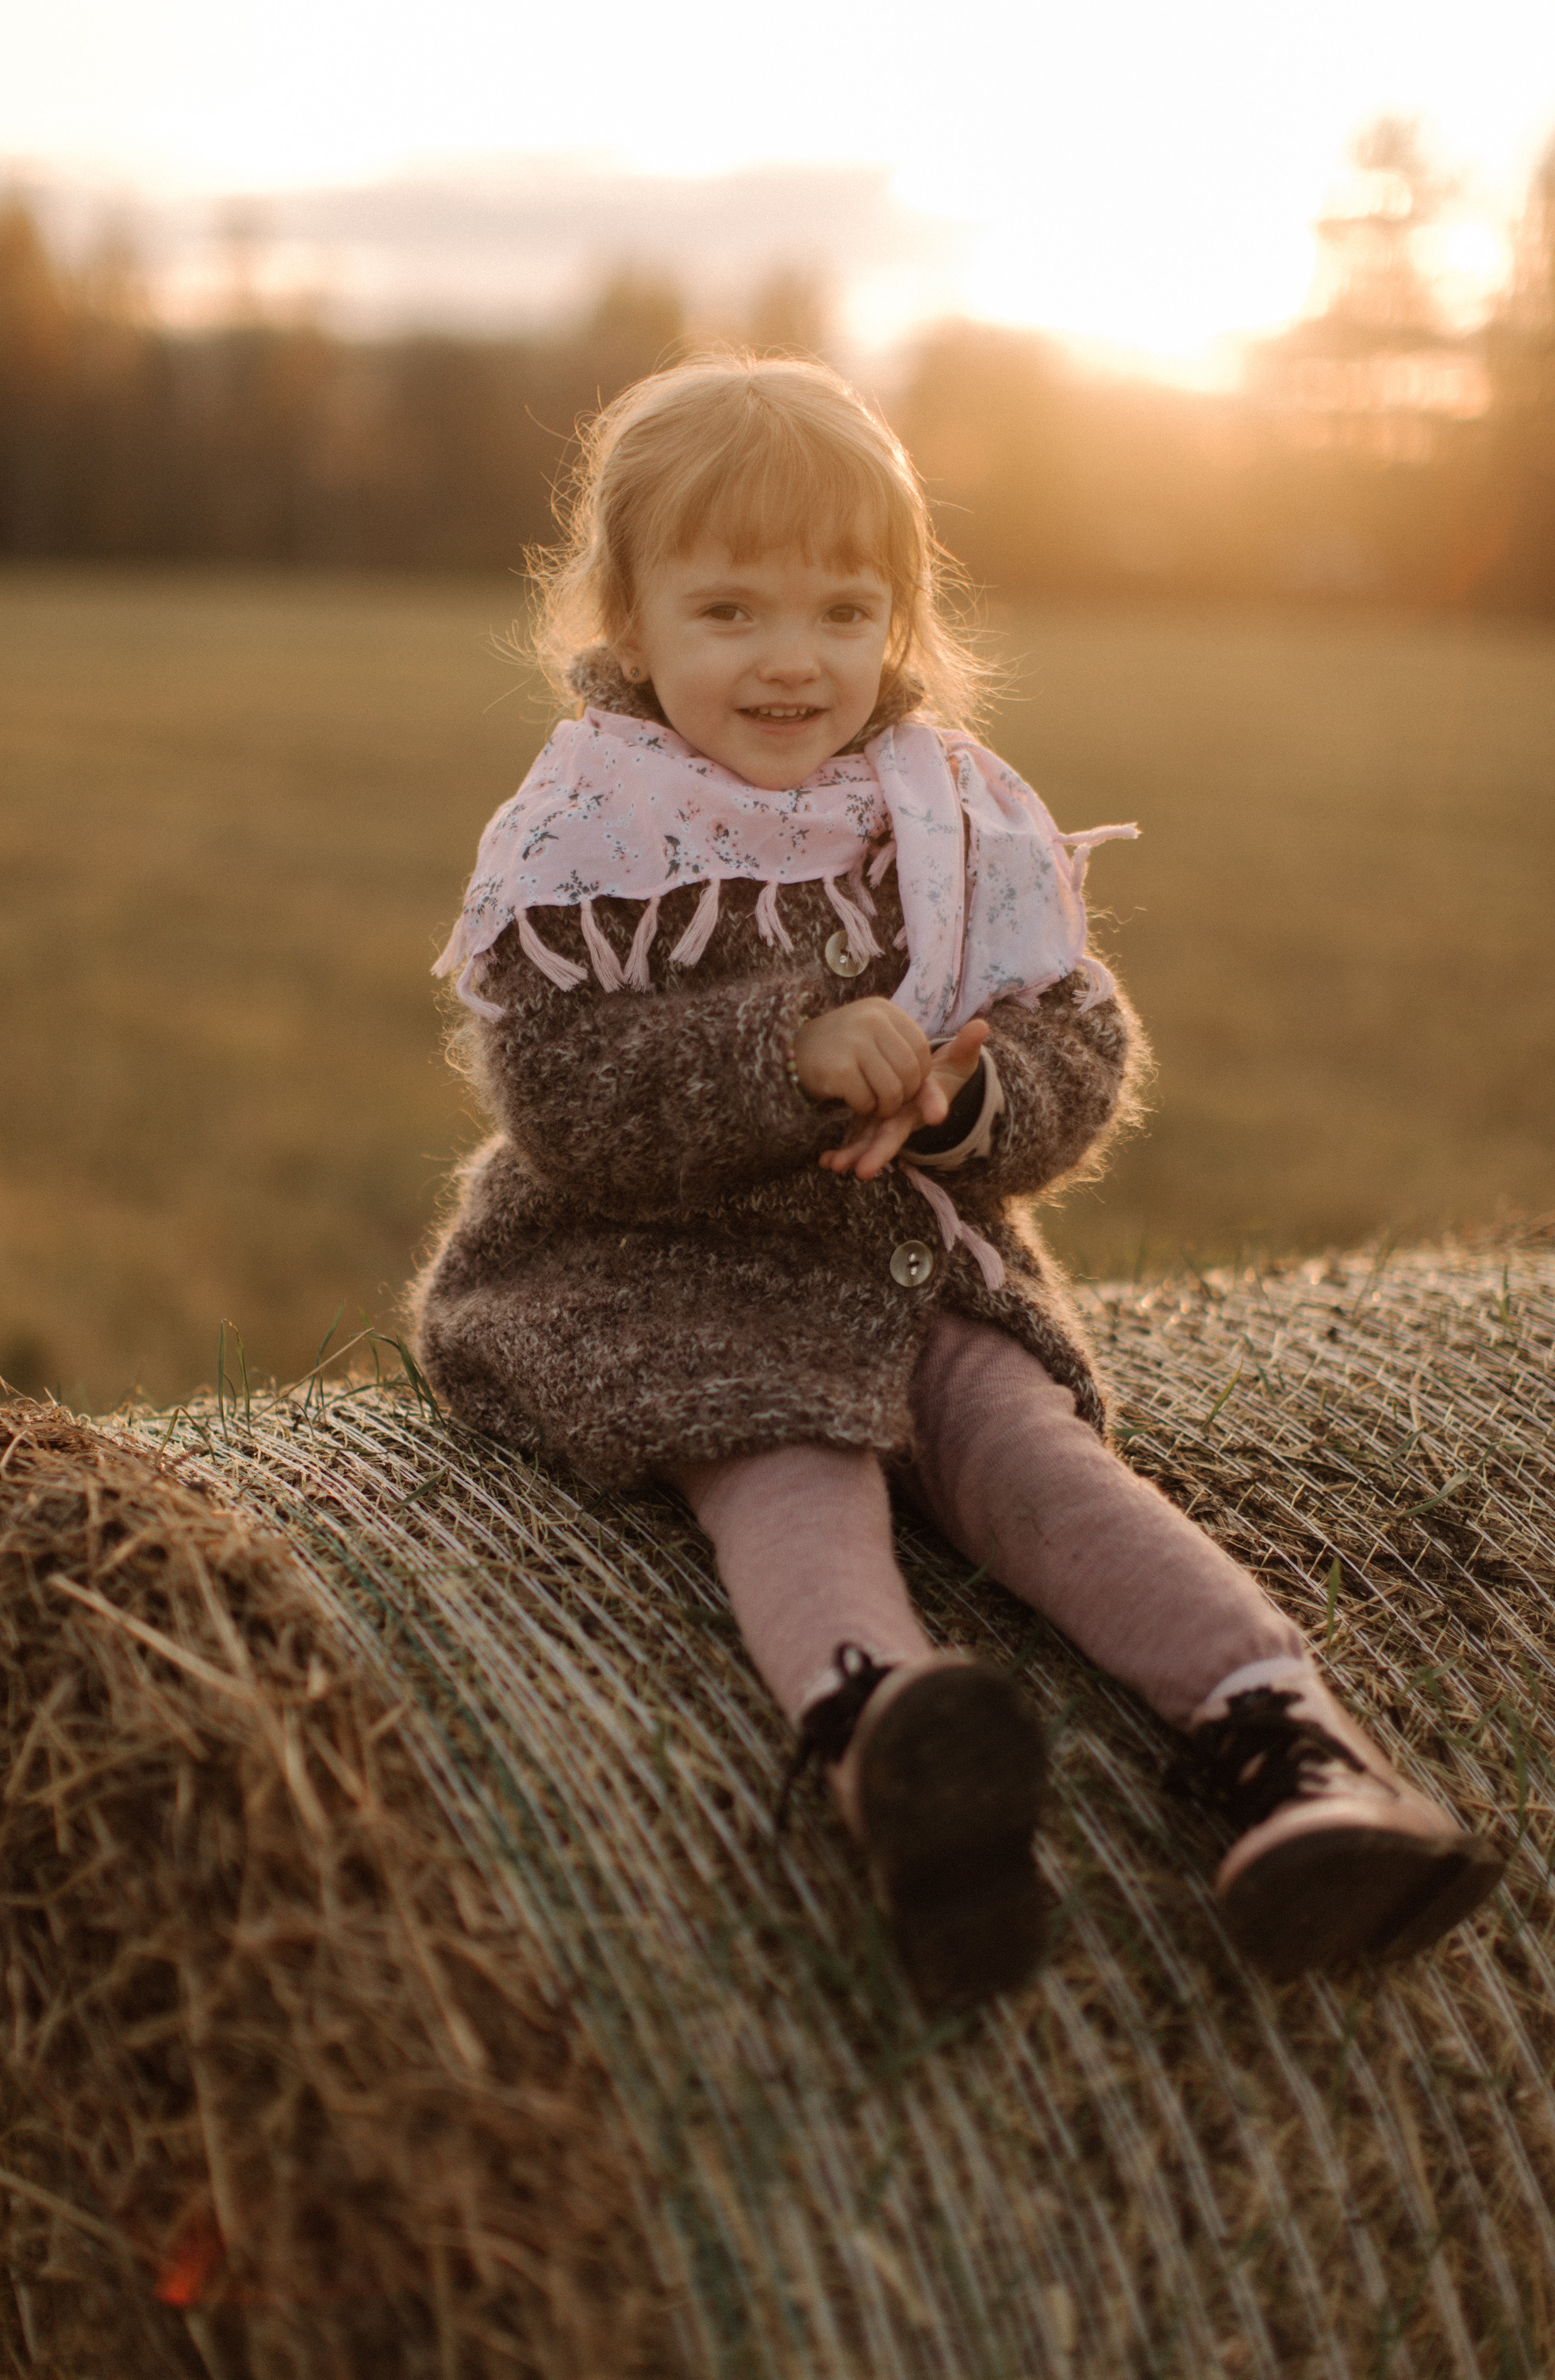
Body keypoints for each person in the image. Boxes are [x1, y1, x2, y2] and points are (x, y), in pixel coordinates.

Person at [413, 355, 1503, 2015]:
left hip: (915, 1267)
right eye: (730, 612)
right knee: (787, 1460)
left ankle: (1287, 1751)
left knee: (1043, 1470)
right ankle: (889, 1742)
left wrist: (970, 1097)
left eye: (846, 611)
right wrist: (781, 1050)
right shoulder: (592, 833)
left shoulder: (957, 819)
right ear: (629, 622)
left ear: (900, 623)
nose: (795, 659)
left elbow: (1080, 1050)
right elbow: (566, 1098)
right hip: (660, 1278)